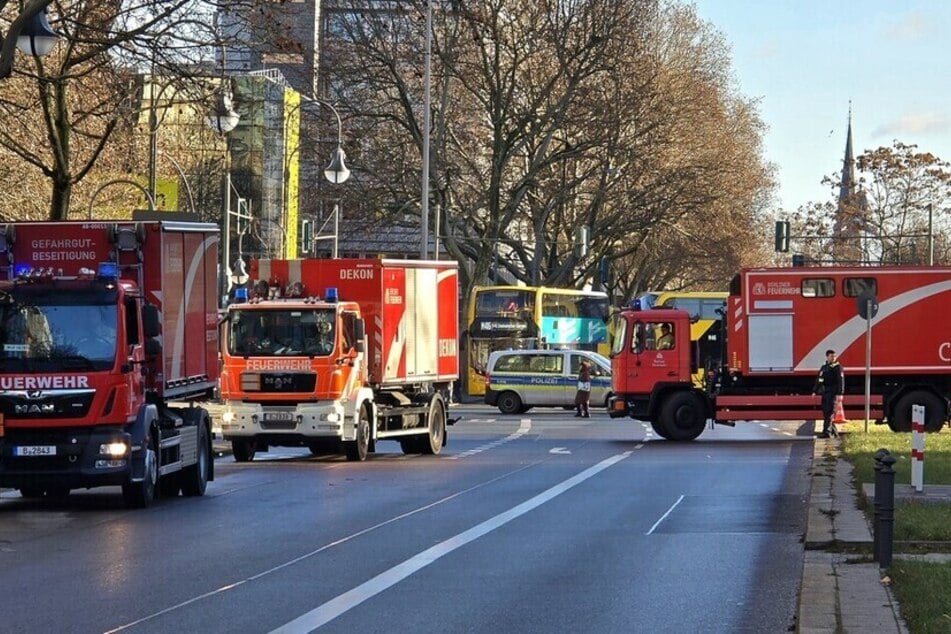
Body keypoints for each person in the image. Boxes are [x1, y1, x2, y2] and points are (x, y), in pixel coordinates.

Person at [814, 349, 845, 438]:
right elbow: (820, 378)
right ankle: (833, 432)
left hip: (833, 392)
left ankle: (827, 432)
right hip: (825, 392)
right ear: (827, 357)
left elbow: (841, 381)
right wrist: (815, 390)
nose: (833, 358)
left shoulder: (837, 367)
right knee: (825, 411)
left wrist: (840, 393)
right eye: (831, 356)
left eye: (834, 356)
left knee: (830, 411)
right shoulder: (824, 366)